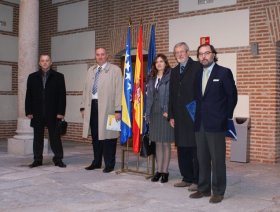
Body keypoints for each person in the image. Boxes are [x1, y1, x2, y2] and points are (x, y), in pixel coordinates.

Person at [189, 44, 237, 203]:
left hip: (217, 123)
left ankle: (218, 191)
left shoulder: (223, 73)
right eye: (200, 54)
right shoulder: (197, 75)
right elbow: (197, 99)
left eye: (207, 53)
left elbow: (232, 97)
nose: (203, 56)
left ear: (213, 54)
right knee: (201, 158)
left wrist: (226, 116)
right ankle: (203, 189)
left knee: (217, 159)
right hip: (200, 123)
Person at [80, 47, 122, 173]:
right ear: (95, 56)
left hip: (109, 109)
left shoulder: (115, 70)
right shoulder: (91, 70)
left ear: (107, 56)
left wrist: (118, 110)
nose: (100, 57)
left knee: (109, 137)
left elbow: (119, 91)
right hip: (92, 107)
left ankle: (109, 164)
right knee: (96, 137)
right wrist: (83, 107)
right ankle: (96, 162)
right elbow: (86, 89)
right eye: (98, 55)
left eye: (102, 54)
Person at [168, 42, 200, 191]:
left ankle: (197, 179)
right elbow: (171, 95)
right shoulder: (174, 71)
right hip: (179, 116)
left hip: (193, 114)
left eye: (182, 51)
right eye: (177, 52)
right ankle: (186, 177)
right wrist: (171, 115)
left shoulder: (197, 67)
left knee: (195, 148)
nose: (180, 54)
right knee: (182, 148)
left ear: (188, 52)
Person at [25, 54, 67, 168]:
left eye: (47, 60)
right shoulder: (32, 77)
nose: (44, 62)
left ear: (51, 62)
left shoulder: (59, 77)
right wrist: (28, 111)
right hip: (37, 112)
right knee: (37, 137)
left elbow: (62, 96)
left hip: (53, 113)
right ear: (39, 63)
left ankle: (58, 159)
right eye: (42, 61)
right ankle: (37, 159)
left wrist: (60, 112)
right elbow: (29, 95)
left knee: (55, 138)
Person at [146, 54, 174, 183]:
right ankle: (158, 170)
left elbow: (174, 96)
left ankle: (165, 172)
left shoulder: (171, 76)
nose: (159, 64)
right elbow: (149, 98)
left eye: (161, 61)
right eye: (157, 62)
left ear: (165, 63)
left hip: (165, 113)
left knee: (166, 143)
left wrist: (169, 111)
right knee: (157, 142)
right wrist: (147, 114)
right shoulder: (151, 78)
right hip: (154, 114)